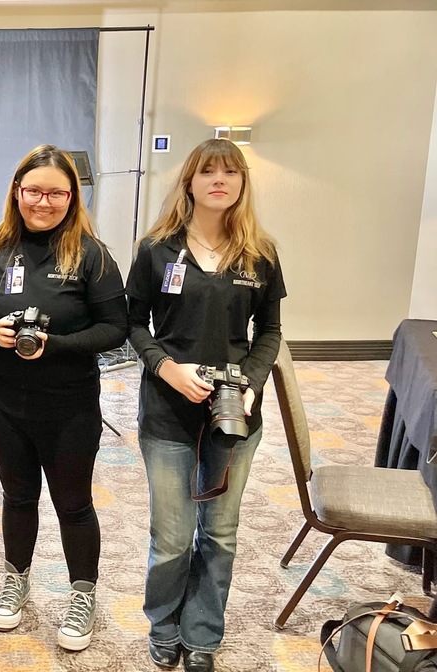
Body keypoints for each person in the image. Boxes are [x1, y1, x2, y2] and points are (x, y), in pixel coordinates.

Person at [126, 138, 286, 672]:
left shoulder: (260, 253)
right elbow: (131, 324)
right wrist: (166, 367)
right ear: (189, 181)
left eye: (230, 173)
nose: (220, 180)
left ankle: (202, 635)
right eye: (208, 171)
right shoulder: (156, 248)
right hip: (168, 412)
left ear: (242, 184)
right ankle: (164, 625)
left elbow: (270, 331)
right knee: (171, 537)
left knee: (218, 532)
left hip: (234, 413)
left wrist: (254, 383)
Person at [0, 145, 128, 652]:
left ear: (71, 195)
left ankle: (83, 593)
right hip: (5, 400)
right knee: (18, 497)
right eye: (33, 190)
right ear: (17, 192)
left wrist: (55, 346)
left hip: (70, 403)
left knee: (73, 503)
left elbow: (115, 329)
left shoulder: (91, 253)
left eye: (56, 192)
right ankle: (16, 581)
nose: (44, 201)